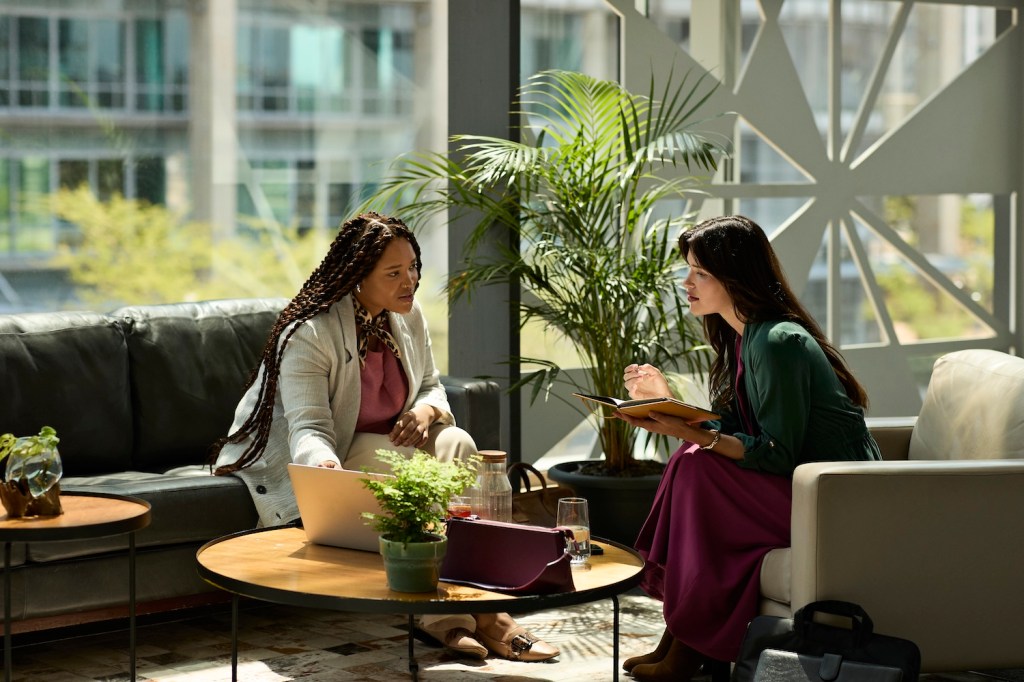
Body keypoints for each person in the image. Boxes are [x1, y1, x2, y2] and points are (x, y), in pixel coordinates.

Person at [210, 211, 558, 663]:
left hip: (387, 441)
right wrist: (322, 467)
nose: (409, 280)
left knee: (458, 445)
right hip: (330, 447)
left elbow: (431, 384)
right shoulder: (310, 332)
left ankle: (482, 600)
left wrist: (426, 410)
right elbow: (310, 427)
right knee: (413, 474)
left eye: (412, 267)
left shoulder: (407, 316)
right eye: (393, 273)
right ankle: (461, 617)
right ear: (358, 277)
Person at [616, 215, 882, 682]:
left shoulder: (777, 341)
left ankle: (689, 644)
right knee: (691, 461)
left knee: (697, 466)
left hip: (838, 498)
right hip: (799, 485)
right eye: (689, 270)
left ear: (735, 277)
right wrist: (667, 403)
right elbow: (738, 428)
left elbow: (776, 452)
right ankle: (682, 635)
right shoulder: (746, 338)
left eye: (700, 273)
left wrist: (689, 432)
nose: (687, 283)